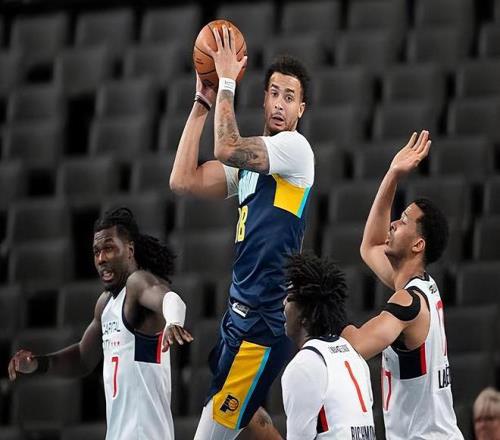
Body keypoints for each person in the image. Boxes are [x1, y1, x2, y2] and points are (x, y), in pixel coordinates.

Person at [170, 24, 314, 440]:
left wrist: (227, 79)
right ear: (264, 98)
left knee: (211, 431)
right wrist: (202, 102)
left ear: (301, 110)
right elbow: (182, 180)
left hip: (262, 323)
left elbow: (226, 147)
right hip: (238, 315)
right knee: (248, 417)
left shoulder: (296, 150)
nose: (280, 104)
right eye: (274, 93)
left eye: (290, 97)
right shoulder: (249, 168)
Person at [8, 207, 193, 440]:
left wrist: (173, 321)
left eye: (109, 248)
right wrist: (38, 363)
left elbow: (170, 299)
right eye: (96, 252)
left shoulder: (137, 283)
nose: (101, 259)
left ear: (130, 251)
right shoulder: (106, 304)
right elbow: (82, 358)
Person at [341, 130, 463, 439]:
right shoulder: (422, 286)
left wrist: (320, 308)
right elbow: (370, 245)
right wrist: (392, 174)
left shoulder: (408, 303)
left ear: (418, 245)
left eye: (404, 220)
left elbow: (357, 346)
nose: (393, 223)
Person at [282, 253, 375, 439]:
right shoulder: (352, 354)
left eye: (289, 298)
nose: (283, 303)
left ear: (305, 315)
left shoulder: (303, 365)